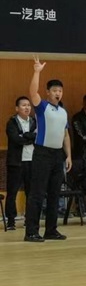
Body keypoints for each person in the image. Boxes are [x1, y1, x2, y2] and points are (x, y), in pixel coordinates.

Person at [25, 57, 72, 242]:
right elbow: (32, 92)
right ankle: (31, 231)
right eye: (54, 90)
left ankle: (51, 230)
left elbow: (65, 135)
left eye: (60, 90)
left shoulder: (63, 112)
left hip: (57, 155)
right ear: (48, 92)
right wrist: (37, 71)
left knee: (54, 193)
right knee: (37, 193)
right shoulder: (42, 107)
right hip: (42, 153)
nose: (57, 93)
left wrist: (68, 156)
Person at [5, 96, 35, 231]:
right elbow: (15, 139)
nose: (27, 107)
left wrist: (26, 136)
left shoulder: (34, 122)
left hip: (31, 161)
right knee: (12, 192)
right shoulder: (12, 122)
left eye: (28, 105)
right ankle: (11, 220)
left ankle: (29, 219)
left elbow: (37, 137)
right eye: (23, 105)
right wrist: (29, 138)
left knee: (31, 192)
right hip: (16, 162)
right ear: (17, 108)